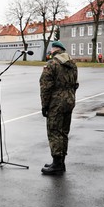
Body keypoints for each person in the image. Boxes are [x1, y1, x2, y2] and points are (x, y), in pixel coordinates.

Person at [39, 41, 79, 175]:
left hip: (56, 102)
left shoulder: (52, 64)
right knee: (64, 131)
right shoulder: (72, 63)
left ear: (55, 50)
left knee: (54, 131)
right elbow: (75, 83)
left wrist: (44, 105)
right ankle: (60, 162)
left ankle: (57, 164)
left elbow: (45, 87)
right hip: (69, 100)